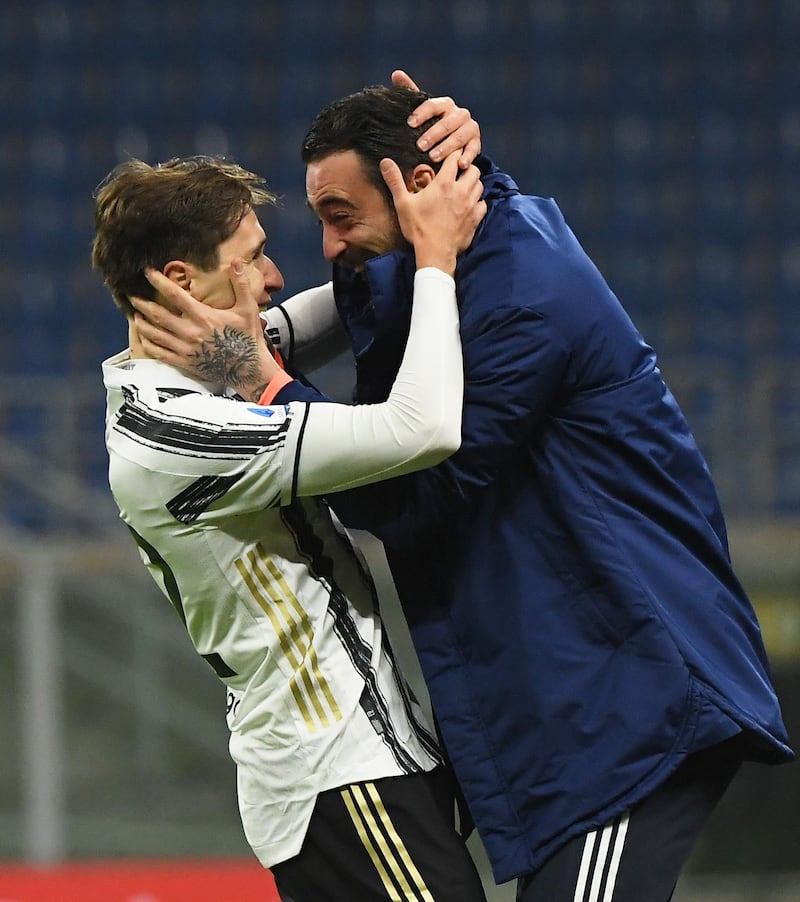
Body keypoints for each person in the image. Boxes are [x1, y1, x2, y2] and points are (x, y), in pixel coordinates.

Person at [146, 81, 795, 900]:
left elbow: (405, 492)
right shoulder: (432, 264)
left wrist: (257, 382)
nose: (327, 245)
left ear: (416, 192)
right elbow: (362, 297)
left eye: (340, 215)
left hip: (630, 696)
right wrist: (471, 161)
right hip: (562, 700)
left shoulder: (525, 299)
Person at [93, 139, 490, 900]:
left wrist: (421, 183)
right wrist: (436, 261)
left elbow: (346, 303)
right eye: (252, 257)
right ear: (184, 281)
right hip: (340, 776)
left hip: (357, 771)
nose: (274, 278)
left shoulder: (202, 367)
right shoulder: (179, 432)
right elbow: (423, 429)